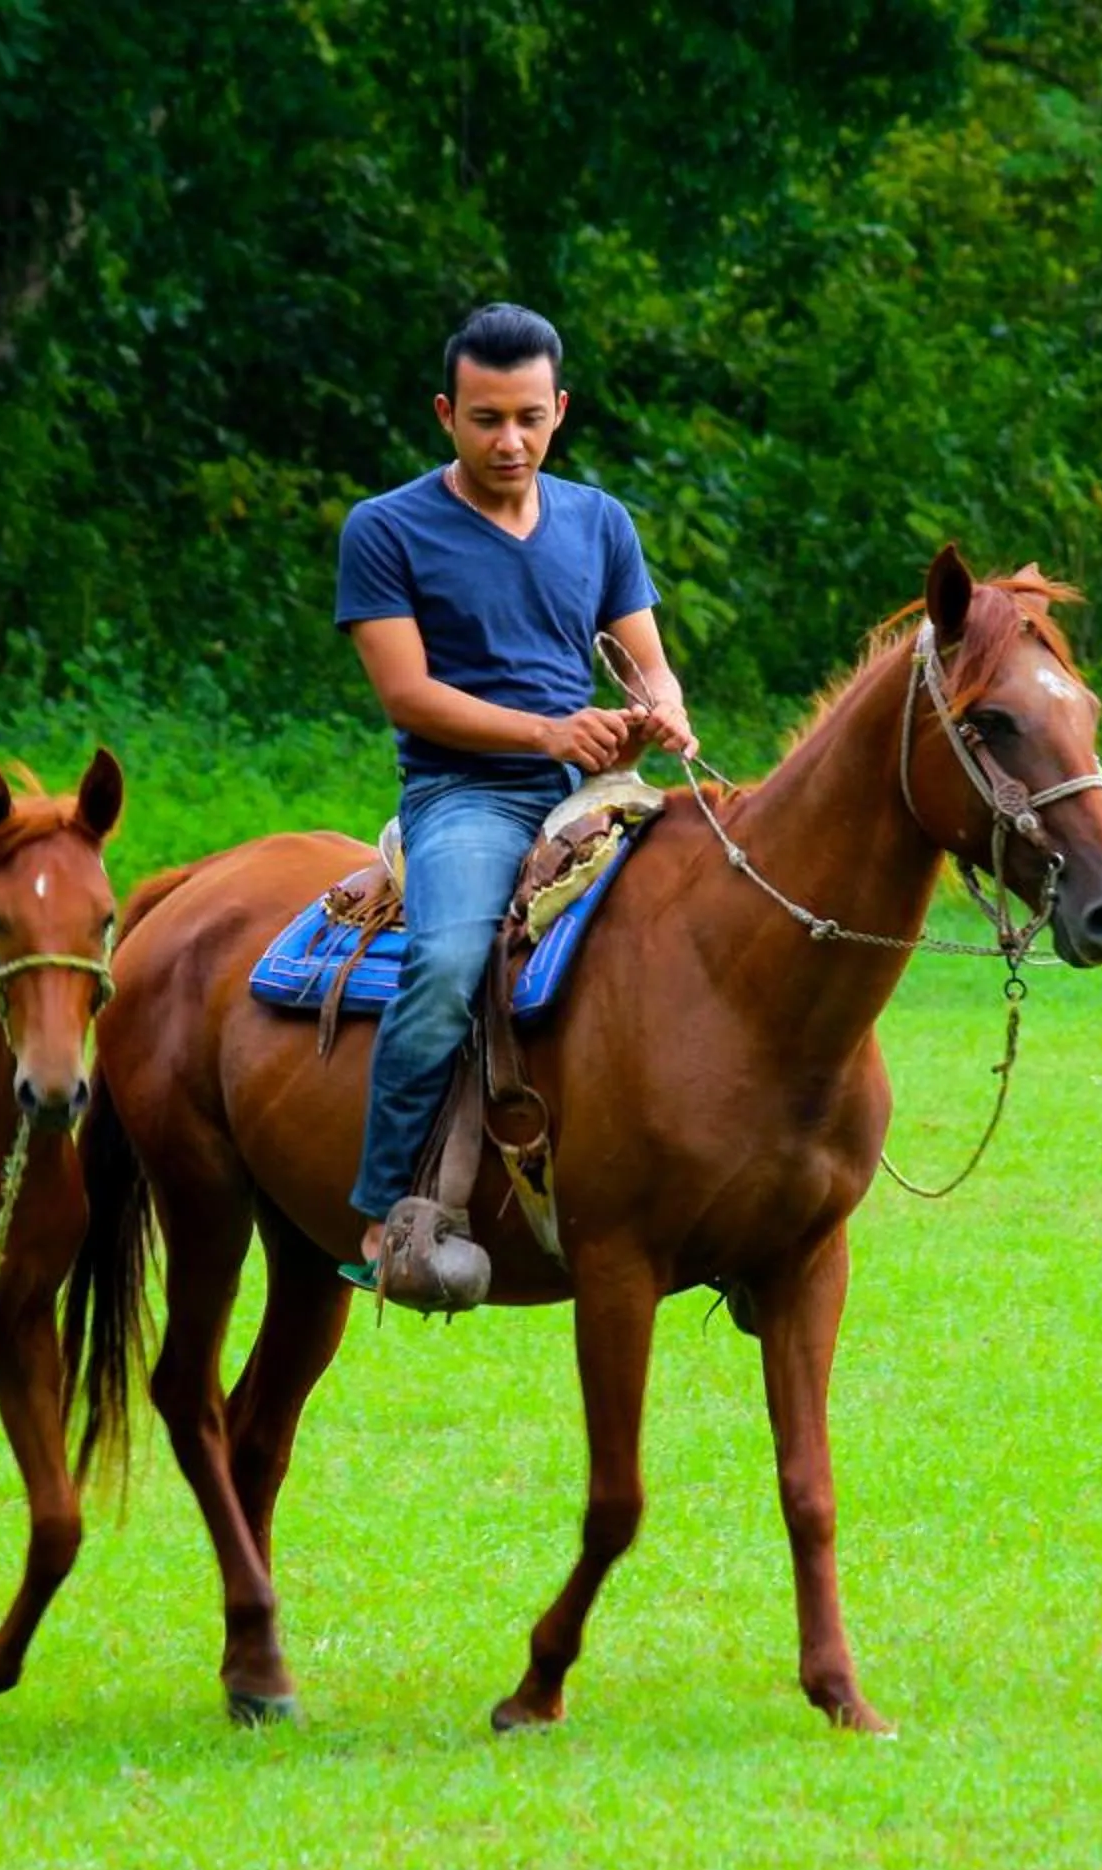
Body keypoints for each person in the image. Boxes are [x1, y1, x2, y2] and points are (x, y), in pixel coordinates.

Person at [332, 302, 697, 1286]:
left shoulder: (599, 521)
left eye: (530, 418)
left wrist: (662, 712)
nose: (511, 441)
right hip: (466, 793)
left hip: (594, 786)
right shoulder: (386, 529)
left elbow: (648, 664)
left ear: (560, 409)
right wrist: (547, 730)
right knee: (449, 959)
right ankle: (384, 1210)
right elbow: (407, 694)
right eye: (487, 419)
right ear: (445, 413)